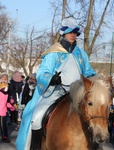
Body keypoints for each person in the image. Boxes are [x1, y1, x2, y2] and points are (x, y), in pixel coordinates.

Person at [16, 17, 96, 150]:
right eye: (70, 32)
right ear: (63, 33)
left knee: (95, 115)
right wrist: (51, 78)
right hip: (55, 91)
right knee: (36, 117)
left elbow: (88, 72)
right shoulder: (53, 52)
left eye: (75, 33)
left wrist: (95, 78)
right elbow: (43, 73)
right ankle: (34, 147)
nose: (73, 35)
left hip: (77, 93)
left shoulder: (81, 54)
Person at [0, 73, 15, 142]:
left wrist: (11, 100)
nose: (4, 79)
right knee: (3, 123)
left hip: (4, 108)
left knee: (3, 123)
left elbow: (10, 94)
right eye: (3, 77)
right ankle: (4, 136)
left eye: (6, 78)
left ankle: (4, 136)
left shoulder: (8, 85)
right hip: (2, 108)